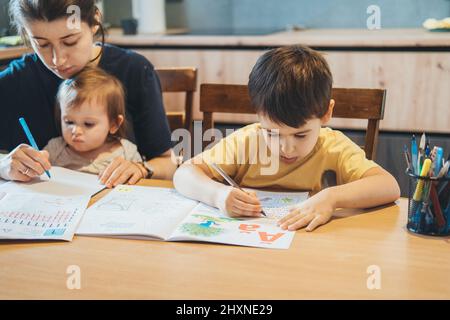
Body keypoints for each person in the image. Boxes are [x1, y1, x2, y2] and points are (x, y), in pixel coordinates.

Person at [174, 45, 400, 232]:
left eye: (300, 134)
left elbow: (388, 186)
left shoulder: (333, 147)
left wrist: (331, 198)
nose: (286, 148)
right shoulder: (246, 142)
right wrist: (218, 195)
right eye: (272, 133)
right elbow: (184, 174)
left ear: (326, 114)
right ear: (259, 116)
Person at [0, 0, 176, 184]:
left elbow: (169, 164)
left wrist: (142, 168)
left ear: (94, 22)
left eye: (70, 41)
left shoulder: (135, 70)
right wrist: (4, 165)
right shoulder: (15, 81)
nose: (57, 59)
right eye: (42, 44)